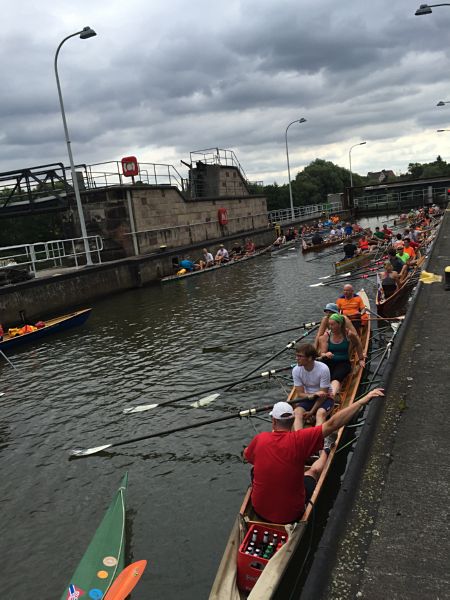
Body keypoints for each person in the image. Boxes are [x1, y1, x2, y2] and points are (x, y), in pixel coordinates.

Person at [243, 389, 385, 524]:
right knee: (312, 472)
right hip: (292, 515)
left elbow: (247, 456)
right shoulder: (301, 439)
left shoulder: (260, 438)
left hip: (259, 510)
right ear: (293, 421)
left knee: (255, 468)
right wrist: (362, 401)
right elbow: (333, 424)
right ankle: (326, 449)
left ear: (273, 421)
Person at [318, 313, 365, 396]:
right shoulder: (326, 336)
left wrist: (361, 359)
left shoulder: (349, 335)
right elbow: (322, 353)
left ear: (339, 324)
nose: (330, 327)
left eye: (332, 324)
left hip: (343, 362)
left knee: (336, 377)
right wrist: (326, 354)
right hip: (329, 361)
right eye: (329, 324)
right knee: (323, 375)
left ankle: (331, 395)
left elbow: (357, 344)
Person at [291, 343, 334, 429]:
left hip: (326, 398)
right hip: (309, 398)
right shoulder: (296, 370)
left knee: (320, 414)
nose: (297, 359)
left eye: (300, 356)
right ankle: (298, 437)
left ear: (310, 358)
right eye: (296, 356)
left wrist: (311, 412)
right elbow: (300, 394)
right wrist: (313, 395)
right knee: (297, 412)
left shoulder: (323, 369)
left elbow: (323, 395)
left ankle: (317, 438)